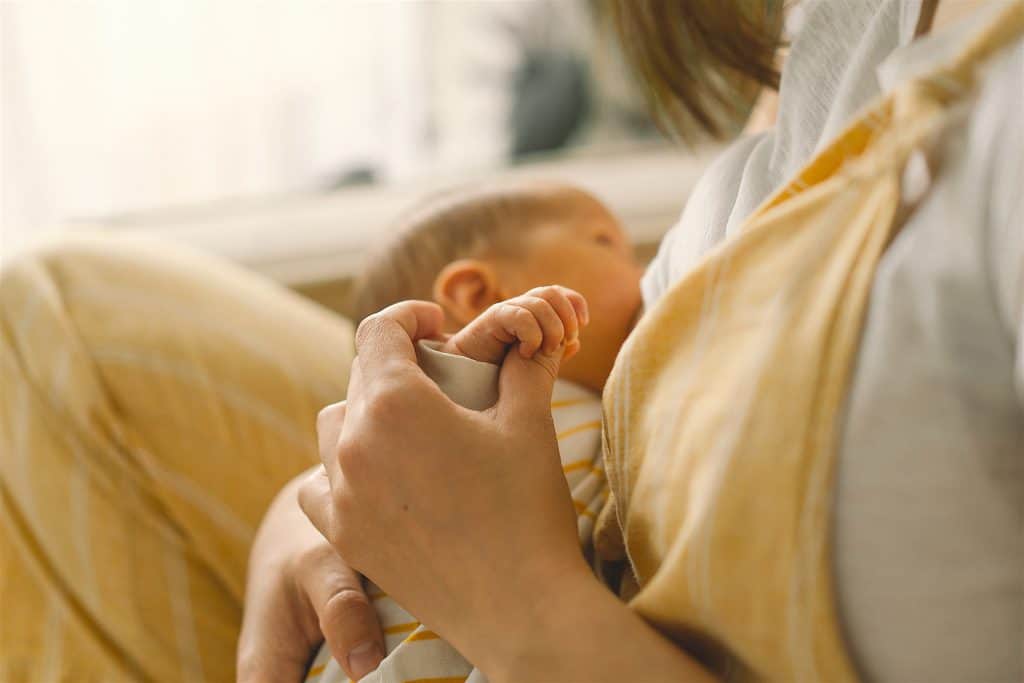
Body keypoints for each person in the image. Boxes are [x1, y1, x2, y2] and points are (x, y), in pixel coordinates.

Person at [1, 1, 1020, 681]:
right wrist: (332, 507)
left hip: (529, 618)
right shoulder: (847, 25)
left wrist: (510, 599)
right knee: (51, 313)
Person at [306, 181, 638, 682]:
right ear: (479, 294)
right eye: (606, 244)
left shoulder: (600, 404)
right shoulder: (465, 393)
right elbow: (411, 422)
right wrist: (466, 356)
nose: (644, 275)